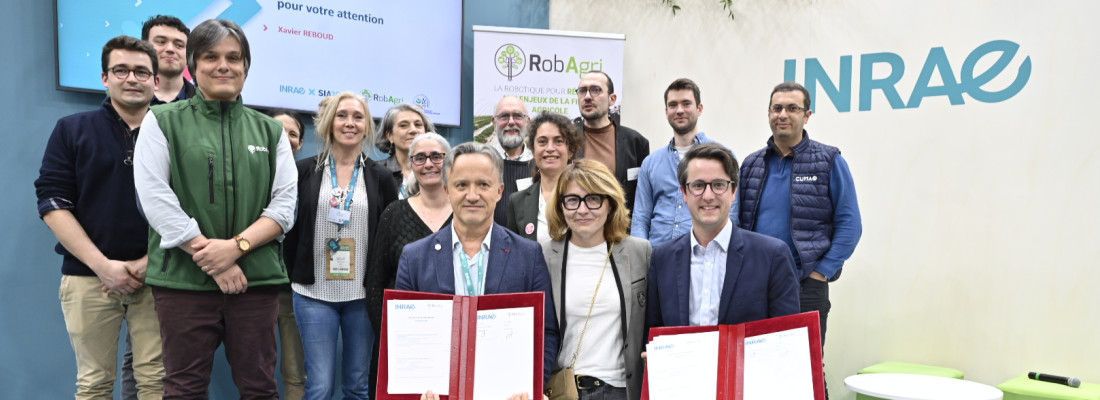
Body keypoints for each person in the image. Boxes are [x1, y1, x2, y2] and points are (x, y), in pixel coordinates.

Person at [133, 19, 297, 399]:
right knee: (184, 388)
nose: (224, 66)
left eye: (233, 58)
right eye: (211, 57)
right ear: (193, 65)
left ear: (245, 67)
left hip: (255, 282)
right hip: (184, 283)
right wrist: (214, 259)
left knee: (260, 388)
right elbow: (155, 198)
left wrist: (236, 248)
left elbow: (285, 206)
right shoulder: (161, 121)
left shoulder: (270, 131)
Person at [35, 34, 165, 400]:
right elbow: (52, 202)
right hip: (88, 278)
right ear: (105, 78)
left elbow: (192, 207)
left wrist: (150, 262)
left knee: (157, 384)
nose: (132, 78)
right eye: (121, 70)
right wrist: (103, 266)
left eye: (142, 71)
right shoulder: (72, 129)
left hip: (159, 277)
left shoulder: (174, 133)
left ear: (156, 81)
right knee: (94, 384)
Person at [394, 142, 560, 394]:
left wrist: (530, 388)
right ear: (447, 191)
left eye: (483, 184)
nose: (472, 195)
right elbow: (404, 337)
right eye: (462, 185)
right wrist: (417, 393)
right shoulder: (414, 258)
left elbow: (546, 333)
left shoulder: (528, 255)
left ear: (499, 191)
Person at [282, 92, 397, 400]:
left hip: (362, 296)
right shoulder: (303, 171)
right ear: (329, 123)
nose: (350, 123)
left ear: (367, 126)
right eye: (342, 115)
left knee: (357, 387)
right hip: (312, 294)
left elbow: (388, 237)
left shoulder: (382, 177)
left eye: (358, 117)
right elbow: (289, 231)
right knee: (319, 387)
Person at [738, 81, 862, 345]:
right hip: (756, 286)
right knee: (756, 362)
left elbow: (850, 224)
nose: (783, 115)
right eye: (777, 108)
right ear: (769, 113)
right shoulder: (750, 165)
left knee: (806, 365)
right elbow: (738, 223)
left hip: (806, 286)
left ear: (807, 115)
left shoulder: (828, 160)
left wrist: (822, 272)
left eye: (792, 108)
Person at [646, 143, 800, 329]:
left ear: (734, 191)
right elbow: (654, 332)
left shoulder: (772, 256)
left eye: (718, 185)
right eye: (698, 185)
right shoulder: (662, 259)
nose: (708, 196)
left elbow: (786, 335)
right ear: (684, 193)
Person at [543, 160, 651, 400]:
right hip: (563, 391)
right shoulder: (544, 256)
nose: (582, 210)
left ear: (610, 203)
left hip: (621, 390)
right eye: (572, 200)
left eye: (593, 199)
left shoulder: (639, 252)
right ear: (561, 206)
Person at [632, 78, 737, 247]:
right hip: (657, 256)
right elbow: (640, 218)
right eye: (673, 105)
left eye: (686, 104)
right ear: (666, 111)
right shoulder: (650, 163)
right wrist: (641, 255)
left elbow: (732, 213)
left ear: (699, 108)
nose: (679, 110)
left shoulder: (722, 157)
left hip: (705, 253)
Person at [365, 132, 453, 328]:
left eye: (436, 156)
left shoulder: (465, 214)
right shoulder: (394, 214)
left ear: (450, 162)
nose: (428, 164)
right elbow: (376, 284)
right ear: (412, 164)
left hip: (455, 327)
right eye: (420, 158)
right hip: (404, 332)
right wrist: (387, 333)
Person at [266, 109, 306, 400]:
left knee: (295, 371)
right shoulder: (249, 173)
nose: (286, 138)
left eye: (293, 134)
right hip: (255, 287)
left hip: (294, 290)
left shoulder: (308, 177)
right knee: (256, 370)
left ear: (301, 143)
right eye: (278, 130)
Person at [574, 71, 649, 213]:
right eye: (582, 91)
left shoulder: (636, 142)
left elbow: (643, 197)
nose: (587, 96)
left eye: (596, 90)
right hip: (578, 221)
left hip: (621, 224)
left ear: (612, 99)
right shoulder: (567, 139)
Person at [506, 112, 584, 244]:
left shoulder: (589, 195)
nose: (550, 148)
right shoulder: (517, 201)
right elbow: (514, 251)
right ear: (533, 150)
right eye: (542, 142)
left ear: (570, 150)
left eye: (558, 141)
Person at [488, 96, 534, 226]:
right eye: (504, 116)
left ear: (527, 122)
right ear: (494, 122)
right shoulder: (482, 162)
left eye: (518, 116)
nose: (511, 122)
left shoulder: (539, 166)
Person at [375, 103, 436, 198]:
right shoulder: (375, 172)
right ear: (389, 136)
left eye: (418, 125)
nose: (413, 130)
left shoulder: (439, 169)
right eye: (404, 125)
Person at [141, 15, 194, 103]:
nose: (170, 49)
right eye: (161, 42)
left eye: (179, 45)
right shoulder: (121, 101)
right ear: (143, 49)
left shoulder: (208, 102)